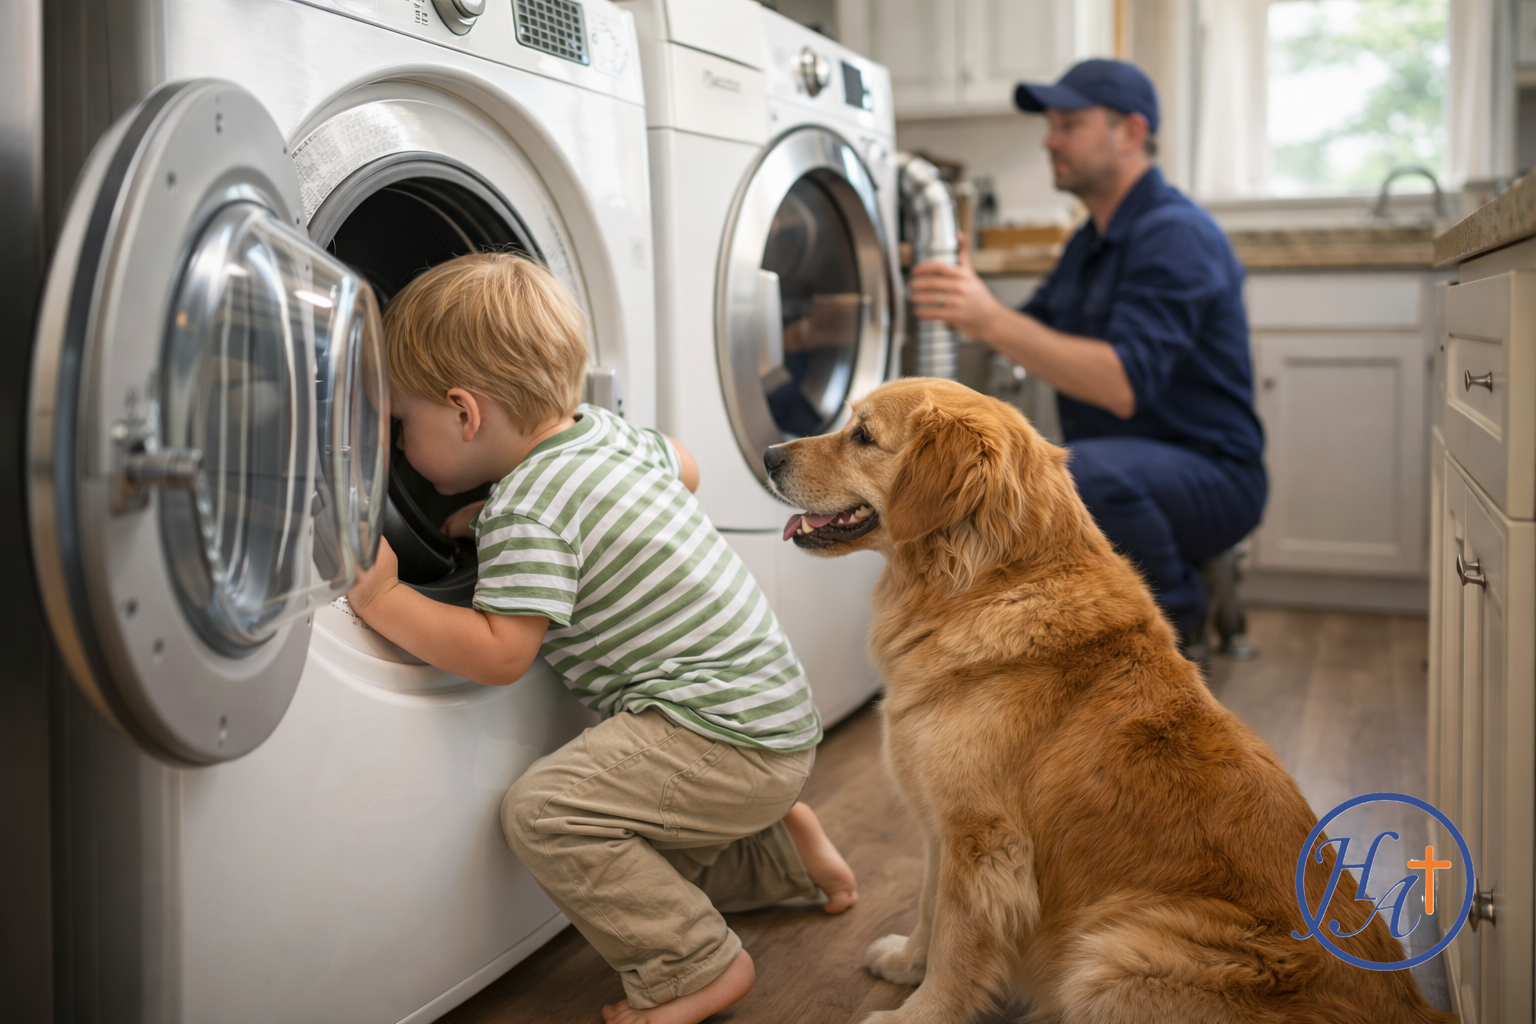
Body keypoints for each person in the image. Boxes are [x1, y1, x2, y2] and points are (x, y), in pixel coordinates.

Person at [346, 253, 858, 1024]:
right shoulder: (605, 437)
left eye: (401, 425)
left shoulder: (528, 509)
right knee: (642, 858)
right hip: (771, 717)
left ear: (464, 413)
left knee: (547, 814)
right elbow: (682, 467)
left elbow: (499, 653)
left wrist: (383, 595)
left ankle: (694, 969)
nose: (398, 450)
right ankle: (781, 857)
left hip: (717, 738)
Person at [908, 58, 1266, 648]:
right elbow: (1033, 331)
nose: (1050, 139)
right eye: (1050, 124)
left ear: (1129, 131)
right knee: (1051, 472)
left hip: (1214, 475)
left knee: (1076, 475)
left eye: (1069, 123)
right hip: (1134, 468)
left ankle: (1177, 621)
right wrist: (968, 298)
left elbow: (1120, 385)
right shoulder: (1091, 242)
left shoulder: (1176, 234)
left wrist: (990, 318)